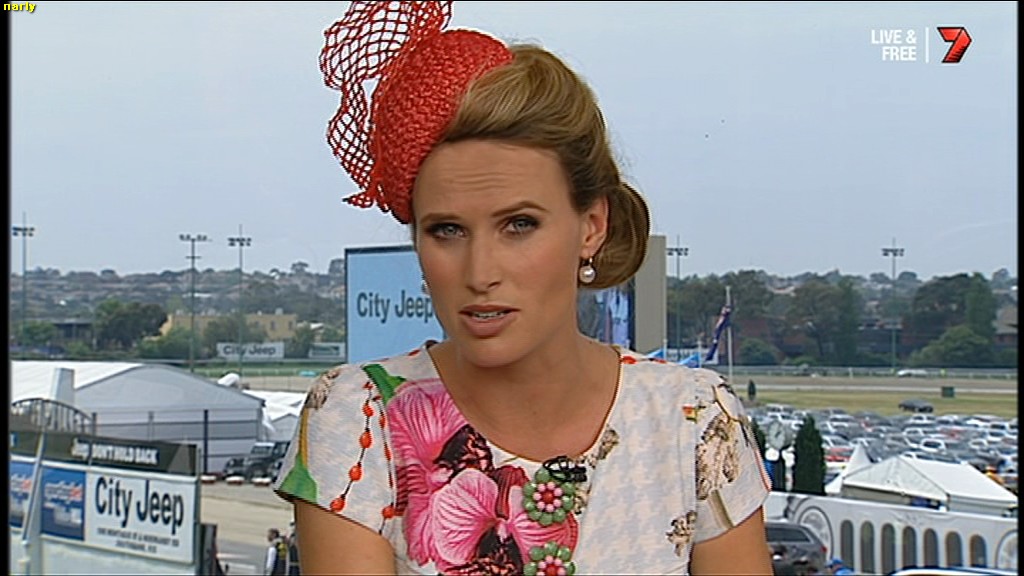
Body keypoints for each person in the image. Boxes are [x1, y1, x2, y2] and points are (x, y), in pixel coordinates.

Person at [273, 1, 773, 574]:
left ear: (592, 225)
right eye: (446, 230)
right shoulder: (359, 419)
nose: (480, 271)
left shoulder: (694, 420)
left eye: (519, 225)